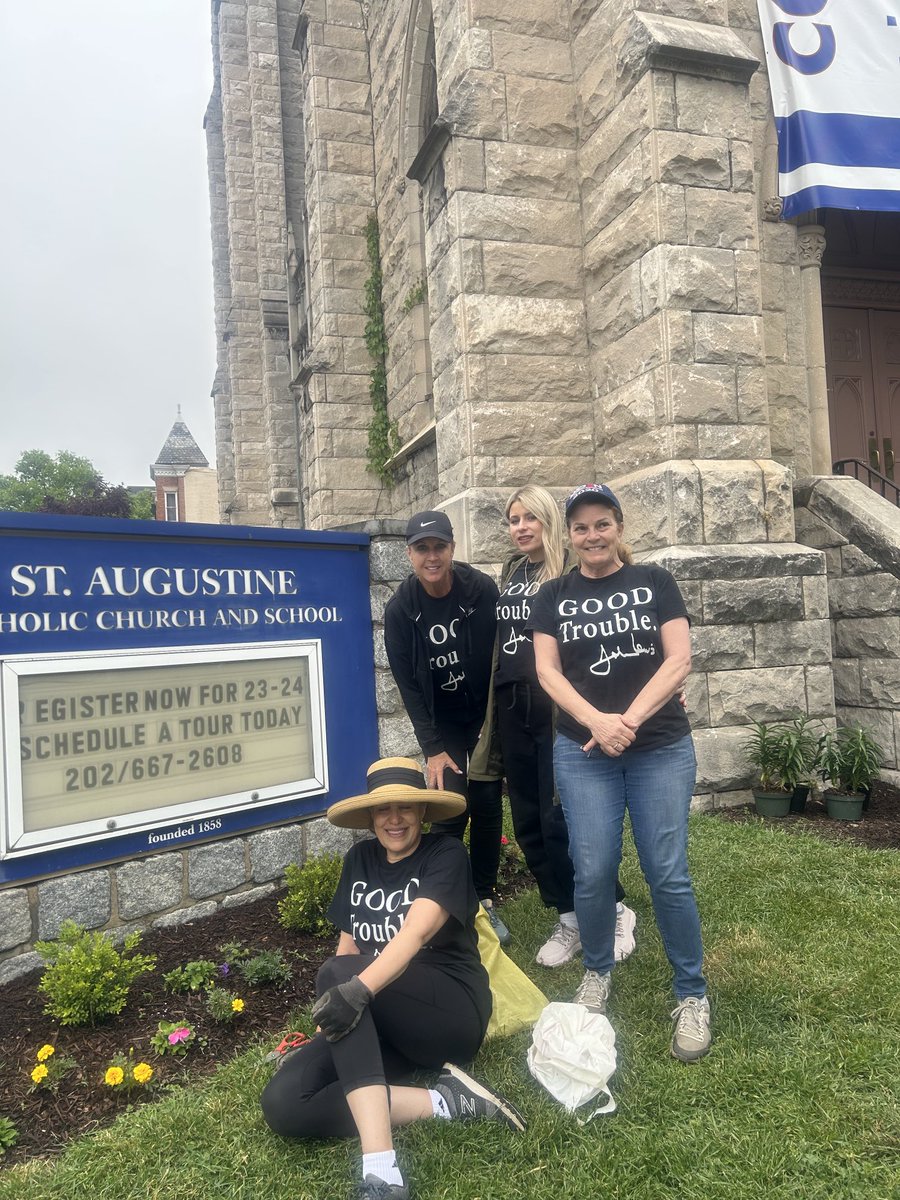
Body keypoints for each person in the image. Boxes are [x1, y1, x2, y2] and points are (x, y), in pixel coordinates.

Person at [260, 757, 525, 1200]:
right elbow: (349, 946)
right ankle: (448, 1102)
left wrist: (352, 990)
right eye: (383, 809)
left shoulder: (445, 854)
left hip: (449, 1012)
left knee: (338, 974)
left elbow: (413, 934)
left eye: (405, 807)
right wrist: (333, 1024)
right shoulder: (360, 859)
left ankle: (382, 1172)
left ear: (422, 812)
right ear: (370, 817)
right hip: (378, 1011)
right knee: (285, 1103)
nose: (394, 818)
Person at [530, 484, 710, 1062]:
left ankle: (691, 993)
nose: (591, 536)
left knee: (667, 873)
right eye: (580, 528)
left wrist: (625, 721)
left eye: (601, 524)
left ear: (619, 526)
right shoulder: (553, 594)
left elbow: (679, 658)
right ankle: (597, 972)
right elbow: (548, 673)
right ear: (570, 536)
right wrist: (596, 724)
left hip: (658, 746)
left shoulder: (654, 581)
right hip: (582, 753)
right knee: (593, 870)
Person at [470, 486, 637, 968]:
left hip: (559, 711)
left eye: (530, 519)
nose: (520, 527)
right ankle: (569, 916)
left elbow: (619, 629)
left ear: (548, 522)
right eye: (512, 519)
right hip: (511, 705)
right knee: (528, 821)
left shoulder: (571, 572)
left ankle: (616, 909)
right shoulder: (512, 570)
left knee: (563, 818)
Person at [384, 510, 509, 943]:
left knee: (489, 800)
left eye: (439, 546)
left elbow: (507, 649)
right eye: (422, 549)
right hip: (445, 721)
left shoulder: (481, 590)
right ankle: (441, 898)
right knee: (451, 805)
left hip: (486, 712)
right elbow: (409, 687)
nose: (431, 557)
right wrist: (433, 748)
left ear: (453, 548)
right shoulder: (401, 610)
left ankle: (483, 896)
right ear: (410, 554)